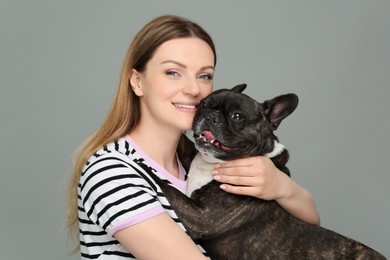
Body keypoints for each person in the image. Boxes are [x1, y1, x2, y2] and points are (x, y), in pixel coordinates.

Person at [66, 15, 320, 259]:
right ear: (137, 81)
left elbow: (308, 223)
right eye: (173, 72)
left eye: (204, 75)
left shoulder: (202, 159)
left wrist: (281, 186)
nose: (193, 89)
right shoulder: (111, 172)